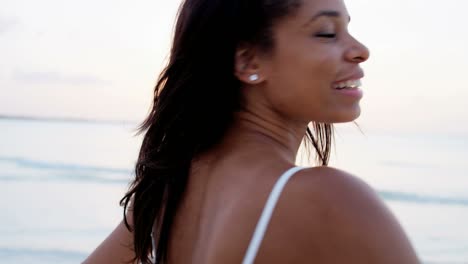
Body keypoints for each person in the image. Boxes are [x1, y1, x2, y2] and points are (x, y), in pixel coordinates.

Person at [84, 0, 421, 263]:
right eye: (326, 33)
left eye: (347, 29)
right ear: (248, 61)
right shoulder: (329, 198)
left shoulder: (167, 193)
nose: (361, 50)